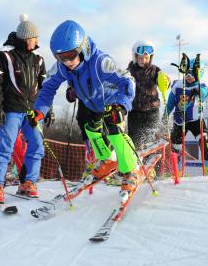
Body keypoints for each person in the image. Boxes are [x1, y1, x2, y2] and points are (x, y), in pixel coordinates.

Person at [31, 20, 142, 197]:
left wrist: (121, 105)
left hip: (112, 103)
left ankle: (131, 169)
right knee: (91, 130)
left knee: (113, 128)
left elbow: (128, 80)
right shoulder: (63, 67)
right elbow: (48, 87)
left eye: (71, 55)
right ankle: (107, 159)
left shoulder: (101, 62)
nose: (67, 61)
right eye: (61, 57)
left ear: (83, 48)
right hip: (92, 104)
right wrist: (39, 111)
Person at [0, 14, 46, 204]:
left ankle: (28, 182)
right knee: (6, 147)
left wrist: (44, 111)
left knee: (36, 145)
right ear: (27, 38)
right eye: (34, 37)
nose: (37, 41)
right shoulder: (3, 56)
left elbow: (44, 89)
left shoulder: (39, 60)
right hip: (10, 110)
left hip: (31, 112)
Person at [165, 57, 208, 176]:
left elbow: (206, 93)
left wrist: (199, 92)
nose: (189, 77)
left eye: (192, 74)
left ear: (199, 74)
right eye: (187, 73)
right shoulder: (177, 85)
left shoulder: (201, 86)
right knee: (176, 147)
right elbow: (170, 104)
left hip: (196, 120)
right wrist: (165, 117)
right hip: (179, 121)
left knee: (205, 140)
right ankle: (177, 171)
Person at [127, 40, 171, 148]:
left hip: (152, 111)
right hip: (135, 111)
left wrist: (165, 81)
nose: (143, 60)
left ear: (150, 58)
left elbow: (164, 83)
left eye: (146, 58)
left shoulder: (155, 70)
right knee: (135, 139)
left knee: (150, 138)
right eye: (140, 58)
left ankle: (150, 160)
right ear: (135, 57)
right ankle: (136, 160)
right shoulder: (130, 71)